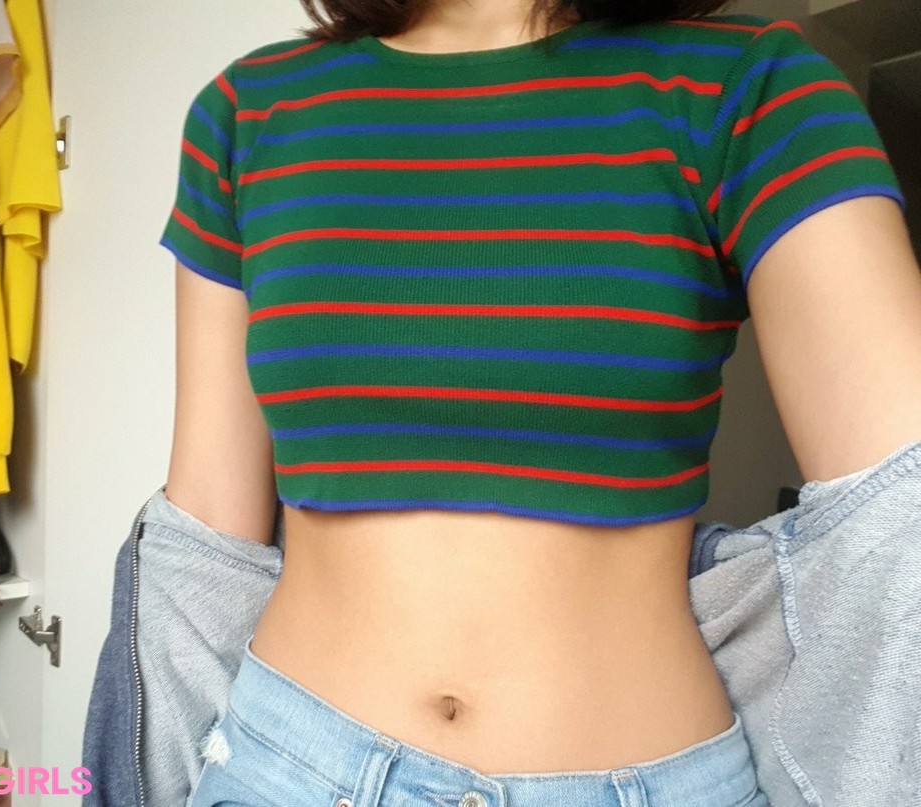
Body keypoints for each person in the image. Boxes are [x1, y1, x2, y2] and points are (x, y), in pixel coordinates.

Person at [154, 1, 921, 805]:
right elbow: (204, 543)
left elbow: (898, 515)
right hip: (285, 770)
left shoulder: (750, 85)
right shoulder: (250, 111)